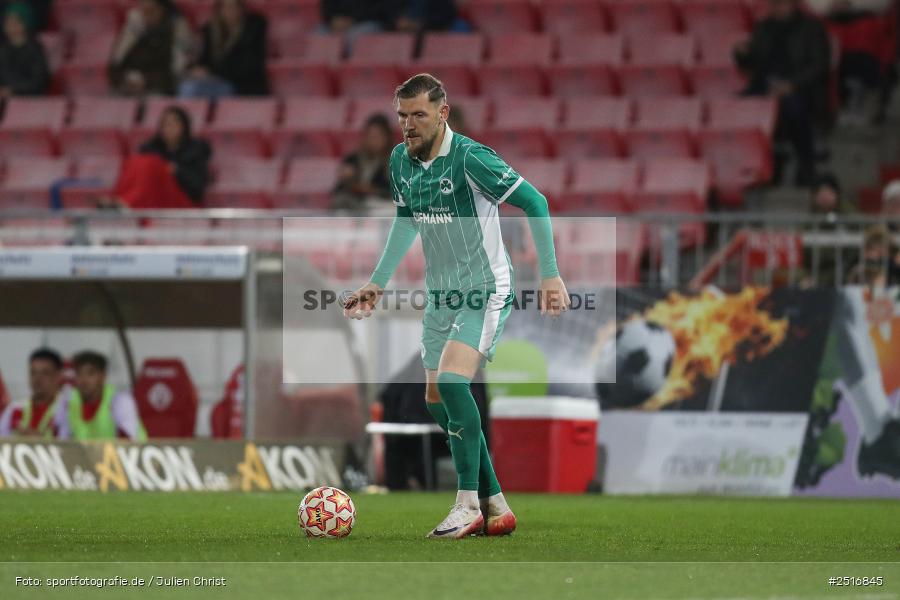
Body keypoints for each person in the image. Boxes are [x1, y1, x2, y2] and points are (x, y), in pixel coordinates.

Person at [343, 74, 569, 539]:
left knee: (450, 383)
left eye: (419, 115)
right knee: (434, 401)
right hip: (441, 293)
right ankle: (496, 503)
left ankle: (467, 504)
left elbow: (536, 202)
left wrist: (550, 273)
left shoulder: (470, 159)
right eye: (402, 115)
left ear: (442, 113)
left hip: (484, 288)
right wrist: (377, 282)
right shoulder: (399, 162)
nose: (408, 124)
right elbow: (406, 219)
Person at [735, 0, 831, 186]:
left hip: (800, 88)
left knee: (793, 107)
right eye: (774, 4)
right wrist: (742, 54)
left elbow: (820, 66)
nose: (777, 8)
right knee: (736, 108)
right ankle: (753, 169)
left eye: (782, 4)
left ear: (793, 4)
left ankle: (805, 163)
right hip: (764, 86)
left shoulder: (812, 28)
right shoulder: (763, 27)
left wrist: (792, 84)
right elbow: (751, 61)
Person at [109, 106, 211, 209]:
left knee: (152, 164)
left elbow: (197, 188)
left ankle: (128, 202)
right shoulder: (150, 148)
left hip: (181, 199)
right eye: (165, 124)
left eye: (173, 124)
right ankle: (120, 199)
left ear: (184, 126)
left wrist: (176, 171)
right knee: (135, 161)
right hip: (154, 197)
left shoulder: (196, 150)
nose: (169, 128)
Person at [179, 0, 268, 98]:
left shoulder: (253, 28)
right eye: (225, 7)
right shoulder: (210, 30)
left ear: (242, 8)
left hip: (241, 86)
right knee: (188, 85)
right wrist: (196, 69)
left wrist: (211, 73)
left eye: (234, 6)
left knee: (192, 89)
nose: (230, 11)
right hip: (215, 81)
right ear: (219, 10)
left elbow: (248, 65)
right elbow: (203, 60)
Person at [108, 0, 194, 96]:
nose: (146, 15)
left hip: (160, 89)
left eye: (151, 11)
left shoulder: (174, 29)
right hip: (128, 86)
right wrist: (125, 79)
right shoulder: (133, 28)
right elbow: (115, 64)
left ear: (161, 10)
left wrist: (146, 81)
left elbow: (174, 70)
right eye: (143, 11)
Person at [57, 351, 147, 441]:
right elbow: (62, 443)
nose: (84, 380)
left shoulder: (120, 401)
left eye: (90, 373)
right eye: (79, 374)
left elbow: (130, 445)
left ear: (103, 376)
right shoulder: (69, 401)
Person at [0, 348, 68, 437]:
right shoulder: (14, 409)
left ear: (58, 376)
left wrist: (37, 442)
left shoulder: (67, 409)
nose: (37, 379)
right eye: (33, 373)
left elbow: (72, 446)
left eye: (45, 373)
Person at [333, 113, 393, 210]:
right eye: (370, 135)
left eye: (378, 136)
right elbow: (340, 190)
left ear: (387, 138)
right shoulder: (353, 160)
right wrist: (347, 179)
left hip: (378, 206)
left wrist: (368, 190)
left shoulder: (393, 162)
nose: (373, 140)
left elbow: (390, 191)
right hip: (354, 205)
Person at [0, 2, 49, 97]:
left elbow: (39, 81)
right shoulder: (2, 50)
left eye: (14, 22)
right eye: (8, 21)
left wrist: (12, 90)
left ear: (25, 23)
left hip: (30, 101)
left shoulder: (35, 49)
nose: (10, 25)